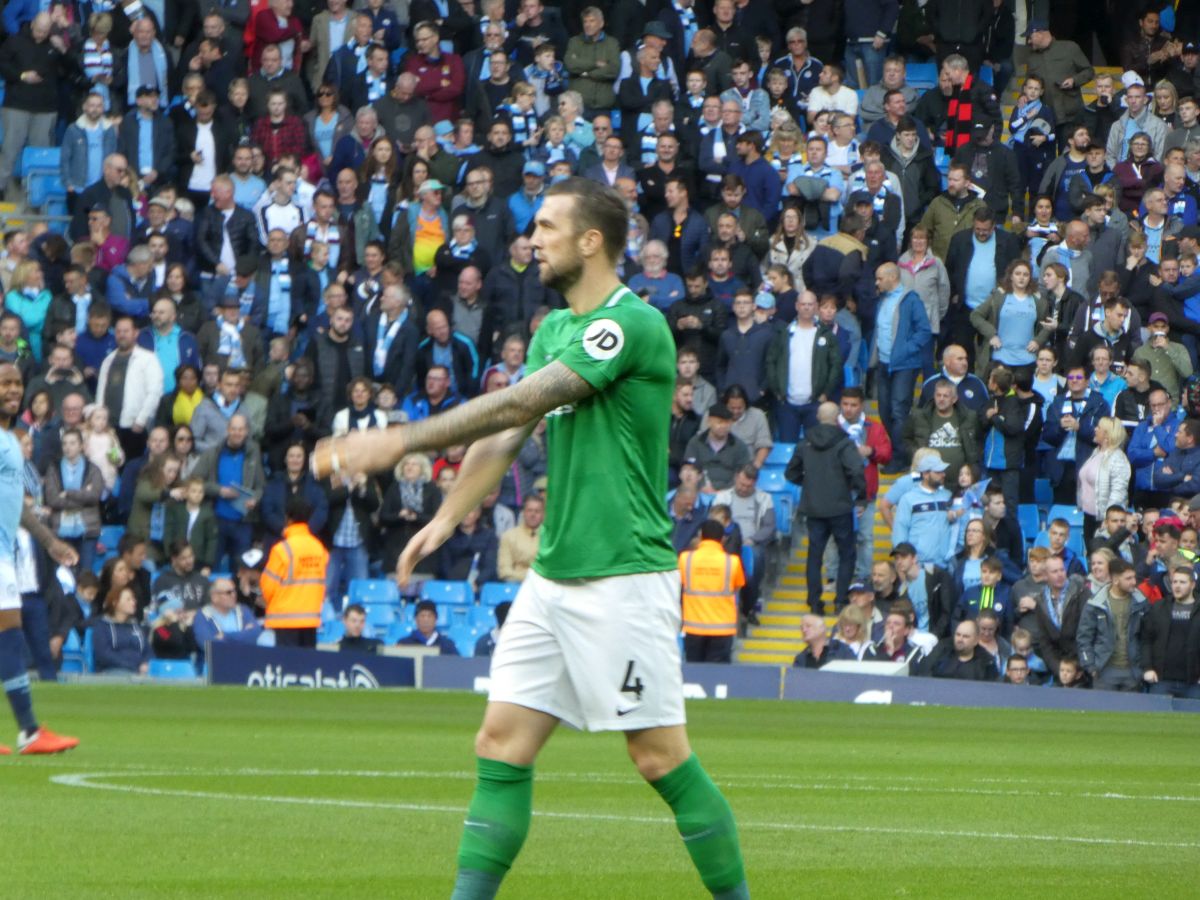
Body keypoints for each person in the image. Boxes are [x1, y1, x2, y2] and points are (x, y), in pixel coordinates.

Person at [309, 178, 748, 900]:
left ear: (591, 241)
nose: (531, 238)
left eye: (546, 226)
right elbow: (508, 434)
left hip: (623, 577)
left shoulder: (633, 325)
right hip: (552, 579)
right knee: (501, 745)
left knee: (659, 759)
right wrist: (447, 517)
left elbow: (522, 399)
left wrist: (397, 441)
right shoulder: (552, 329)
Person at [786, 401, 867, 614]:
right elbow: (857, 470)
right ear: (837, 416)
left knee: (814, 555)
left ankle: (814, 601)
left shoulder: (805, 442)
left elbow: (790, 473)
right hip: (840, 506)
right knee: (847, 554)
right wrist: (860, 494)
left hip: (813, 507)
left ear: (818, 417)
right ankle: (840, 600)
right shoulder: (844, 442)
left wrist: (810, 483)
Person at [261, 495, 329, 649]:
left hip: (285, 619)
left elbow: (268, 586)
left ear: (288, 518)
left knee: (288, 669)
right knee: (307, 669)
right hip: (311, 619)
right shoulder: (319, 548)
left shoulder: (282, 549)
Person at [1077, 557, 1148, 692]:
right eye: (1128, 578)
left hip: (1133, 671)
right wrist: (1091, 667)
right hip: (1104, 670)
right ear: (1115, 580)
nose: (1134, 582)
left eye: (1134, 578)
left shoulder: (1142, 603)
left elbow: (1147, 638)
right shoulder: (1095, 604)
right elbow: (1084, 637)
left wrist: (1142, 667)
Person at [679, 519, 745, 663]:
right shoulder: (732, 562)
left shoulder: (685, 559)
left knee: (694, 673)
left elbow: (680, 583)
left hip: (693, 627)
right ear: (722, 539)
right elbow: (737, 587)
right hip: (723, 629)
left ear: (701, 535)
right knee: (718, 675)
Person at [1138, 564, 1200, 698]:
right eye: (1174, 582)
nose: (1177, 586)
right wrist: (1147, 668)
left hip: (1194, 683)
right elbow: (1146, 641)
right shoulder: (1158, 608)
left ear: (1192, 585)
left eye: (1182, 582)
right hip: (1161, 680)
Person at [193, 577, 263, 649]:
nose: (234, 595)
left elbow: (255, 634)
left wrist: (225, 636)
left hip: (245, 657)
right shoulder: (203, 615)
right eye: (228, 592)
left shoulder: (243, 610)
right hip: (218, 659)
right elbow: (208, 645)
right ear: (214, 597)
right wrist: (244, 634)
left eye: (234, 591)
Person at [918, 619, 998, 680]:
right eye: (958, 635)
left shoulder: (986, 662)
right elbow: (923, 673)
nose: (960, 639)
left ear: (976, 641)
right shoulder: (942, 650)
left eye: (965, 636)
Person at [792, 613, 858, 668]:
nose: (804, 630)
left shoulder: (842, 650)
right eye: (802, 628)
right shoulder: (801, 658)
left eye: (808, 626)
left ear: (822, 628)